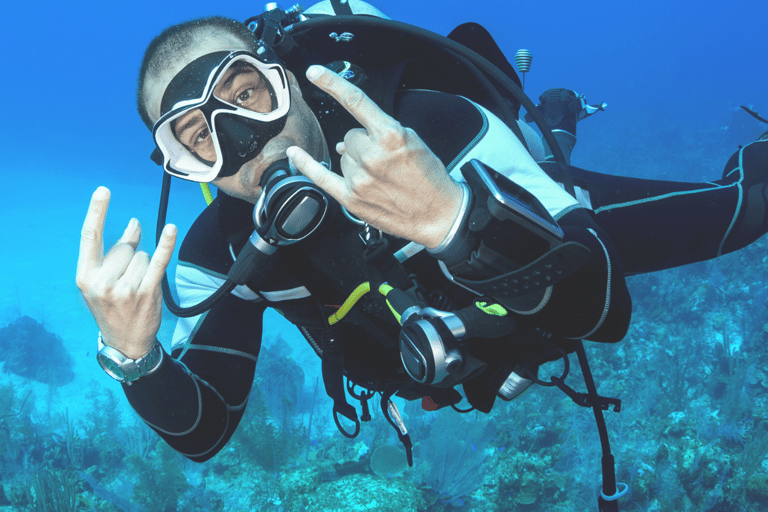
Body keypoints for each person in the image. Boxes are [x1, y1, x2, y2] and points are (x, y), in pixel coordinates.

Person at [76, 1, 767, 477]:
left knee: (744, 213)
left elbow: (603, 311)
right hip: (447, 366)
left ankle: (556, 124)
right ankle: (559, 117)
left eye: (246, 95)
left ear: (282, 74)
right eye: (198, 140)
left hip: (531, 221)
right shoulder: (219, 256)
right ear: (184, 168)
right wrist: (136, 359)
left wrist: (454, 219)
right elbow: (205, 430)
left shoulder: (436, 132)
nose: (240, 144)